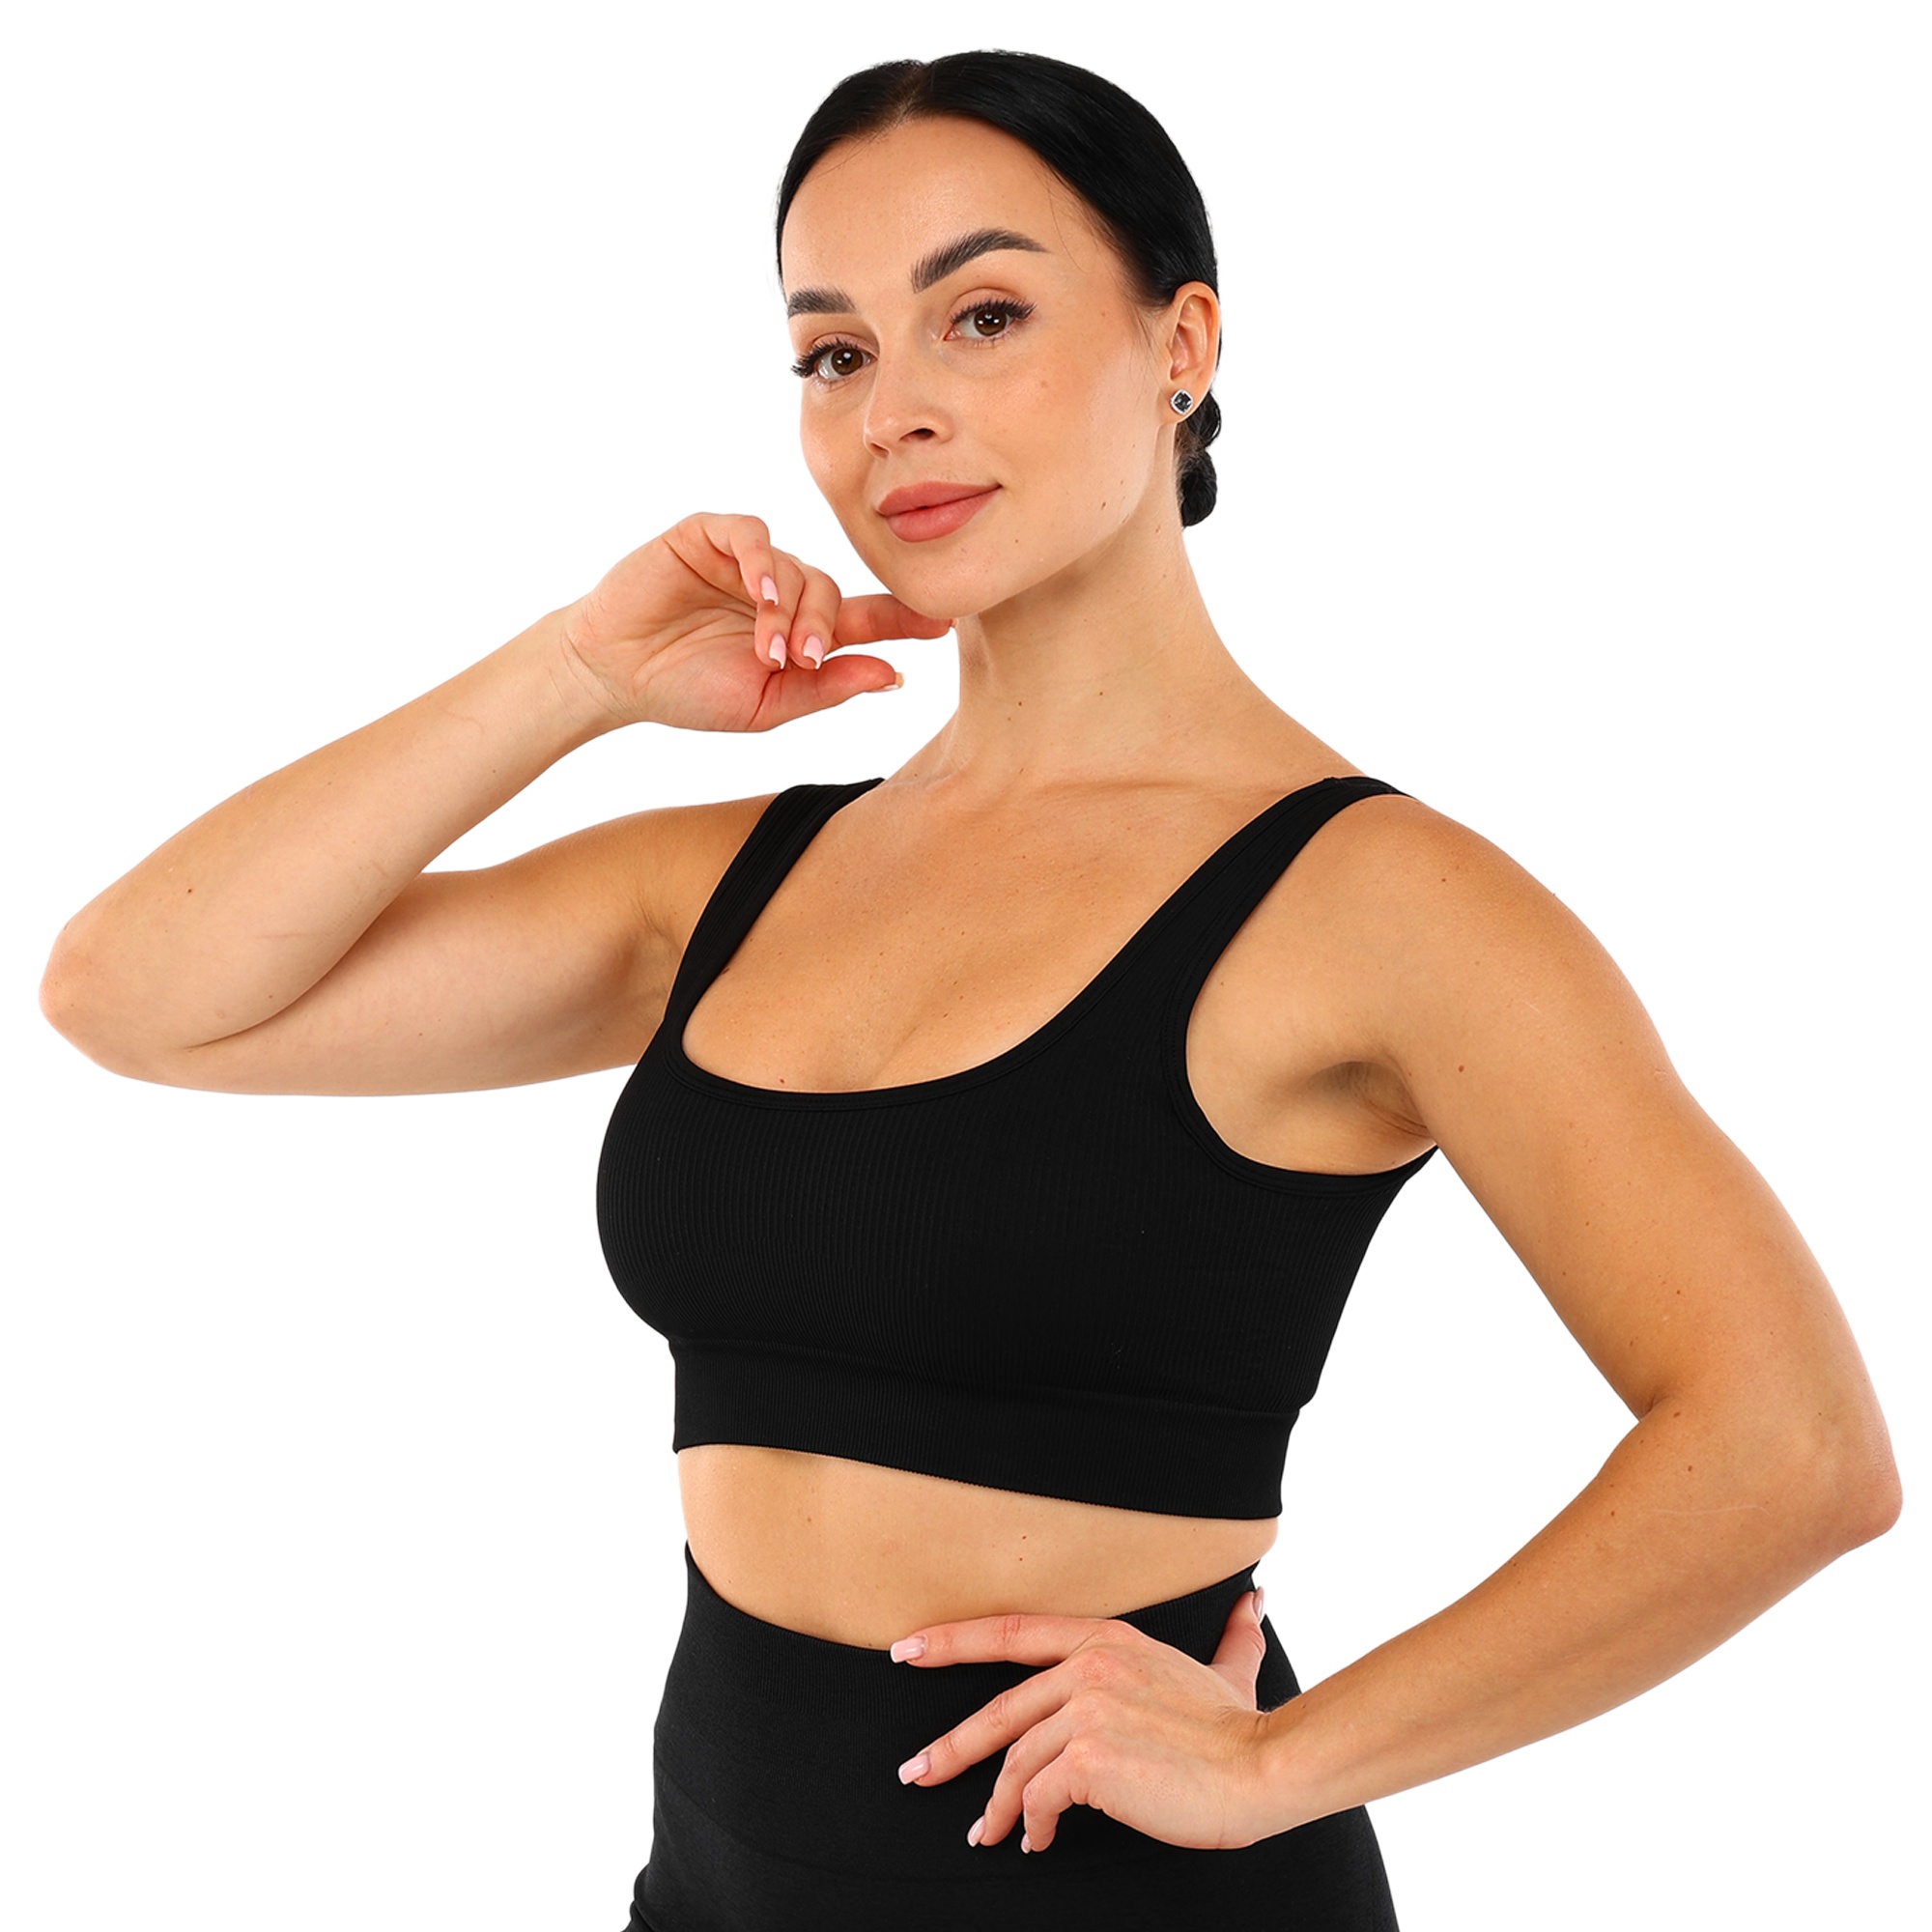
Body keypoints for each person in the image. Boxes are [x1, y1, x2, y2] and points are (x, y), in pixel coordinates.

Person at [39, 47, 1899, 1932]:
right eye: (833, 352)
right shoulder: (736, 882)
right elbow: (144, 996)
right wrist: (577, 676)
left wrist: (1281, 1760)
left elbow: (1793, 1446)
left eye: (982, 316)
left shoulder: (1380, 905)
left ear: (1182, 345)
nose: (893, 412)